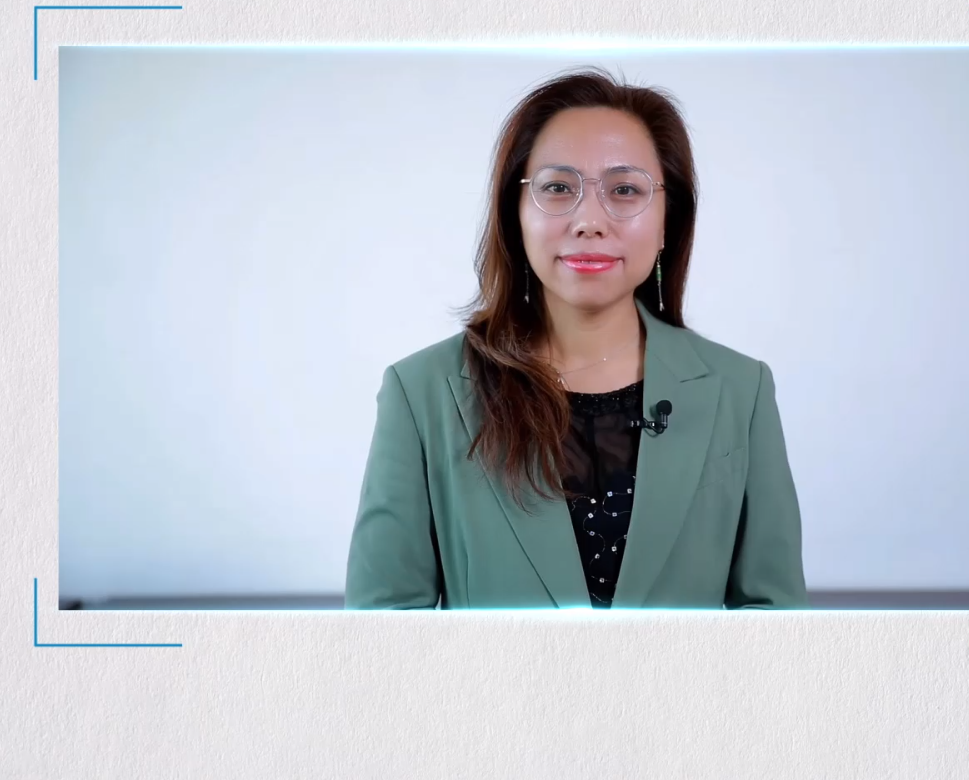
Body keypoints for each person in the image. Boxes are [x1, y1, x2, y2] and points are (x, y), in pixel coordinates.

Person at [345, 68, 806, 610]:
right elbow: (383, 629)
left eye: (625, 190)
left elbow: (776, 623)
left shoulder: (741, 390)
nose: (590, 221)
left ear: (668, 220)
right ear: (515, 214)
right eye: (558, 188)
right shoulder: (421, 392)